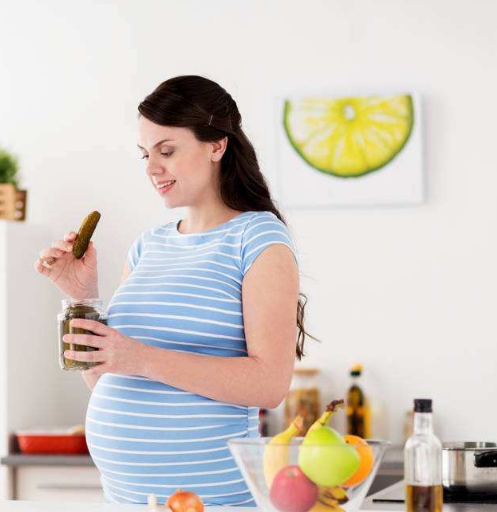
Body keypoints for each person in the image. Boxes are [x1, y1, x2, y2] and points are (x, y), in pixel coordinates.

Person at [33, 75, 313, 507]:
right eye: (146, 154)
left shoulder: (258, 239)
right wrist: (82, 297)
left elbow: (268, 383)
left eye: (167, 151)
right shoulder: (149, 245)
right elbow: (105, 379)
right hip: (127, 500)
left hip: (214, 500)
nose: (151, 168)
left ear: (216, 145)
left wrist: (139, 357)